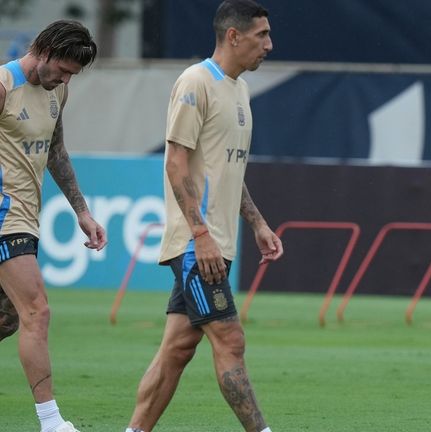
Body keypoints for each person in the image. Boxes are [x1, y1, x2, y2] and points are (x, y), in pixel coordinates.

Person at [124, 1, 283, 431]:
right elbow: (176, 163)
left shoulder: (240, 90)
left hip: (217, 241)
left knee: (177, 349)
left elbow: (227, 168)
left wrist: (257, 222)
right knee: (230, 339)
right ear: (233, 36)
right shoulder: (195, 82)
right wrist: (199, 233)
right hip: (198, 244)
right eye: (261, 35)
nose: (269, 44)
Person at [0, 20, 107, 432]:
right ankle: (52, 423)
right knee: (36, 311)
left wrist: (81, 210)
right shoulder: (4, 85)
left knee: (8, 318)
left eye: (71, 75)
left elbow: (56, 151)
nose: (64, 79)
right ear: (43, 50)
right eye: (62, 69)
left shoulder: (57, 91)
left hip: (27, 216)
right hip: (5, 218)